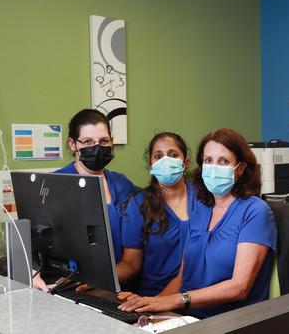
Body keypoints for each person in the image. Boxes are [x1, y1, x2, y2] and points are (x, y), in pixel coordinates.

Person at [118, 128, 277, 318]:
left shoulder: (255, 211)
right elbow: (182, 277)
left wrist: (176, 300)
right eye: (208, 160)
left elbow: (239, 287)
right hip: (187, 315)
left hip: (229, 320)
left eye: (223, 161)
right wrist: (149, 305)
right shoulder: (201, 209)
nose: (214, 167)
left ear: (241, 168)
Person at [33, 109, 136, 291]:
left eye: (104, 141)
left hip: (120, 287)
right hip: (69, 287)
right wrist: (32, 271)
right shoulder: (54, 185)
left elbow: (134, 252)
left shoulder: (122, 184)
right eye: (87, 142)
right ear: (73, 144)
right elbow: (35, 241)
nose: (97, 148)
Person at [116, 132, 192, 296]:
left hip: (197, 294)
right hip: (152, 297)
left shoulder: (203, 199)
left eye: (173, 155)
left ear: (186, 162)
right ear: (151, 165)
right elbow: (131, 263)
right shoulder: (139, 205)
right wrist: (102, 279)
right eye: (158, 156)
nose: (166, 160)